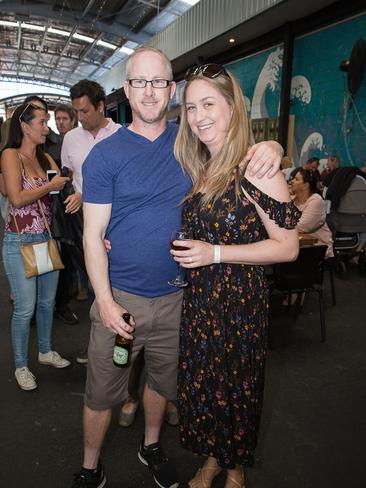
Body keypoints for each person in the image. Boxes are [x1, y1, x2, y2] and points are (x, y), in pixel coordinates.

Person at [71, 48, 285, 488]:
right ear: (127, 90)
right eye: (140, 82)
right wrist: (106, 302)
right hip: (123, 297)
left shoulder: (191, 145)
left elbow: (238, 156)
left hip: (181, 297)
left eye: (159, 83)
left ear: (171, 90)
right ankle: (90, 468)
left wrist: (272, 144)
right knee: (101, 392)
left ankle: (151, 446)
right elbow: (93, 235)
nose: (149, 92)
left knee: (163, 384)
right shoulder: (105, 156)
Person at [171, 63, 300, 488]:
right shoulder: (203, 166)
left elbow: (288, 246)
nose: (198, 115)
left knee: (237, 387)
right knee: (206, 385)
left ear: (233, 107)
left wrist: (216, 253)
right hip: (202, 301)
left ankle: (235, 467)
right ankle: (211, 459)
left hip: (240, 303)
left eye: (208, 103)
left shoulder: (255, 164)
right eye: (190, 107)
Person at [1, 102, 71, 391]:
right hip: (19, 241)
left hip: (45, 239)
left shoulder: (44, 157)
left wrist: (60, 187)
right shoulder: (9, 155)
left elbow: (62, 183)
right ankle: (20, 365)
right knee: (25, 308)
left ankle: (45, 350)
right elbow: (16, 199)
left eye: (47, 122)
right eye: (41, 122)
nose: (47, 127)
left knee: (46, 304)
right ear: (24, 126)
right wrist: (49, 186)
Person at [61, 79, 121, 362]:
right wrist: (71, 190)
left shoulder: (122, 135)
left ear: (101, 106)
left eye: (84, 111)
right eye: (76, 112)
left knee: (119, 284)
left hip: (119, 221)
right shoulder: (71, 138)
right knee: (95, 282)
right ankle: (98, 345)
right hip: (88, 221)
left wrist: (84, 193)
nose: (80, 118)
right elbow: (70, 174)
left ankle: (123, 344)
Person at [289, 168, 333, 257]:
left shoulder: (315, 201)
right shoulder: (293, 199)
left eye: (297, 179)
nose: (292, 181)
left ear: (305, 185)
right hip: (297, 246)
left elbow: (301, 226)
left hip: (317, 248)